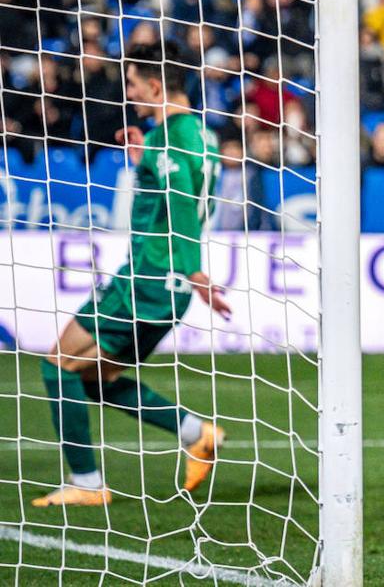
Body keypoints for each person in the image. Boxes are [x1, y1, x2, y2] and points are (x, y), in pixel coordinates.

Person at [33, 42, 228, 507]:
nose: (130, 93)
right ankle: (195, 432)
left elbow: (181, 200)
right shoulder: (201, 134)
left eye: (133, 84)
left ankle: (87, 483)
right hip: (168, 287)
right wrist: (147, 161)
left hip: (147, 278)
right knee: (93, 377)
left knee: (56, 363)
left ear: (156, 85)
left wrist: (194, 268)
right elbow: (185, 187)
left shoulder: (167, 138)